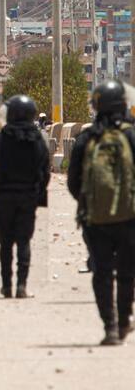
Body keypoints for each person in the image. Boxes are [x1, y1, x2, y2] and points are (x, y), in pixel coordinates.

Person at [68, 80, 135, 345]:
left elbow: (74, 182)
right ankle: (124, 321)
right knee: (127, 273)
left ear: (96, 106)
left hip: (95, 218)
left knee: (102, 272)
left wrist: (89, 203)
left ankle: (109, 326)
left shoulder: (86, 138)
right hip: (130, 217)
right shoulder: (131, 136)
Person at [0, 95, 50, 299]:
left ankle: (7, 285)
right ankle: (22, 286)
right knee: (24, 242)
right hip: (28, 196)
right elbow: (46, 171)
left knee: (6, 243)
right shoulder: (37, 139)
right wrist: (37, 192)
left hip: (3, 196)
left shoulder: (0, 138)